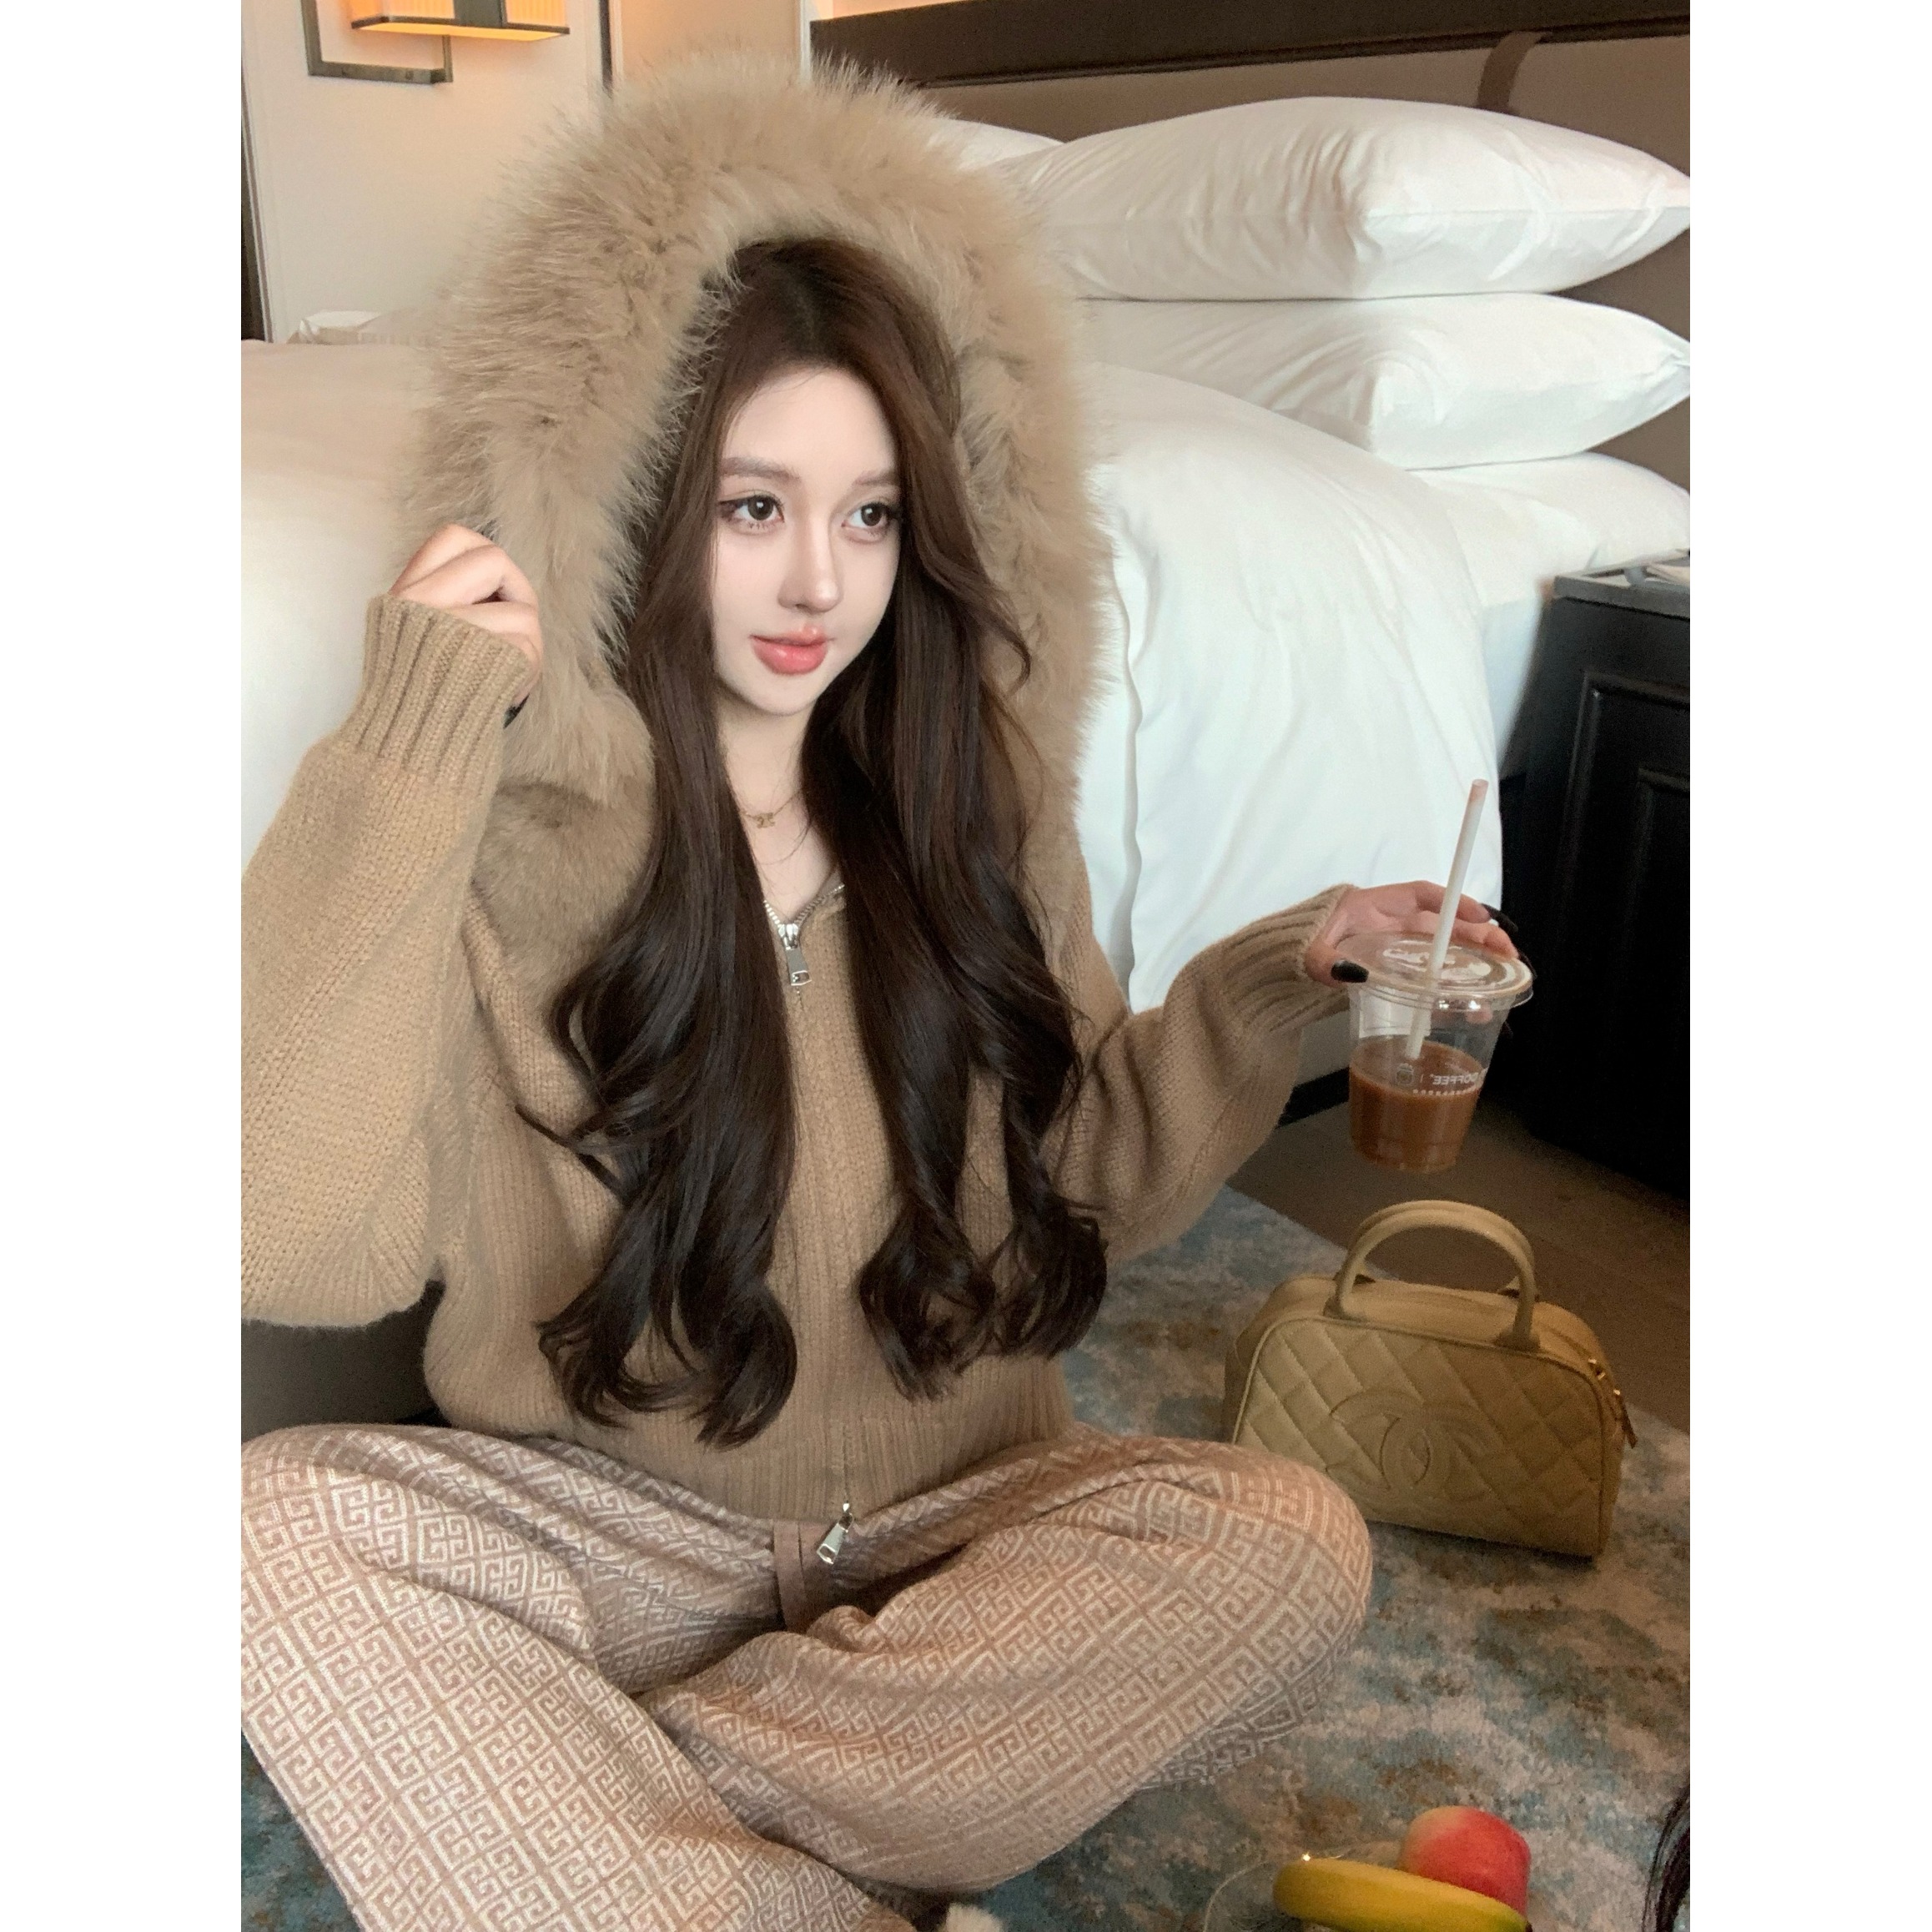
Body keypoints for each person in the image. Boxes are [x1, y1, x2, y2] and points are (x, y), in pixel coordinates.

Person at [240, 57, 1519, 1932]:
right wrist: (413, 739)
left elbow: (1085, 1183)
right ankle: (785, 1843)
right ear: (635, 509)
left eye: (870, 516)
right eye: (753, 505)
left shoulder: (976, 821)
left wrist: (1281, 976)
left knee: (1285, 1544)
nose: (813, 586)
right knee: (265, 1536)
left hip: (953, 1532)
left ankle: (593, 1811)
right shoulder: (496, 851)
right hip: (613, 1533)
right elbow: (285, 1244)